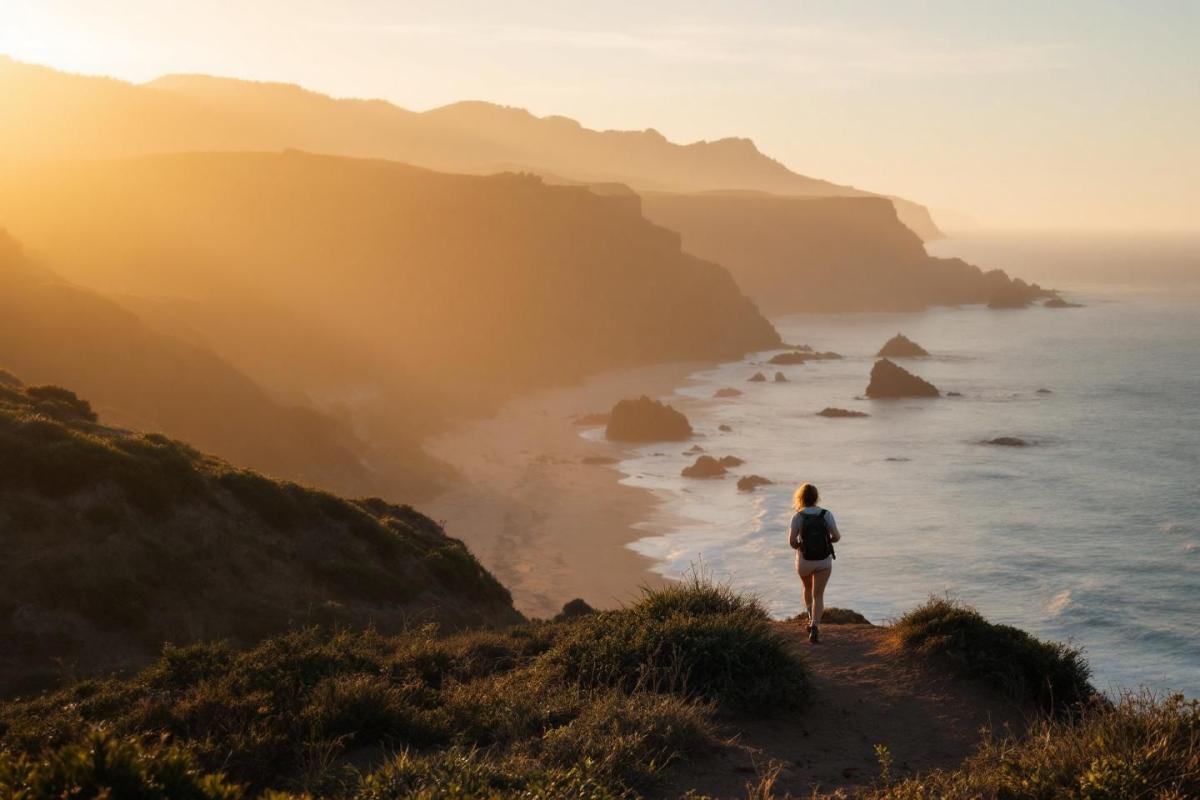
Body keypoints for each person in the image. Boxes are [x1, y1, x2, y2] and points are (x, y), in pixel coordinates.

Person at [788, 482, 841, 643]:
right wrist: (826, 542)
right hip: (824, 560)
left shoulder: (798, 516)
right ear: (816, 497)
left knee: (807, 588)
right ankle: (815, 626)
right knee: (819, 594)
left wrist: (802, 547)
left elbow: (791, 542)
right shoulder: (826, 514)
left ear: (800, 498)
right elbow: (837, 537)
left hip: (805, 560)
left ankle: (810, 618)